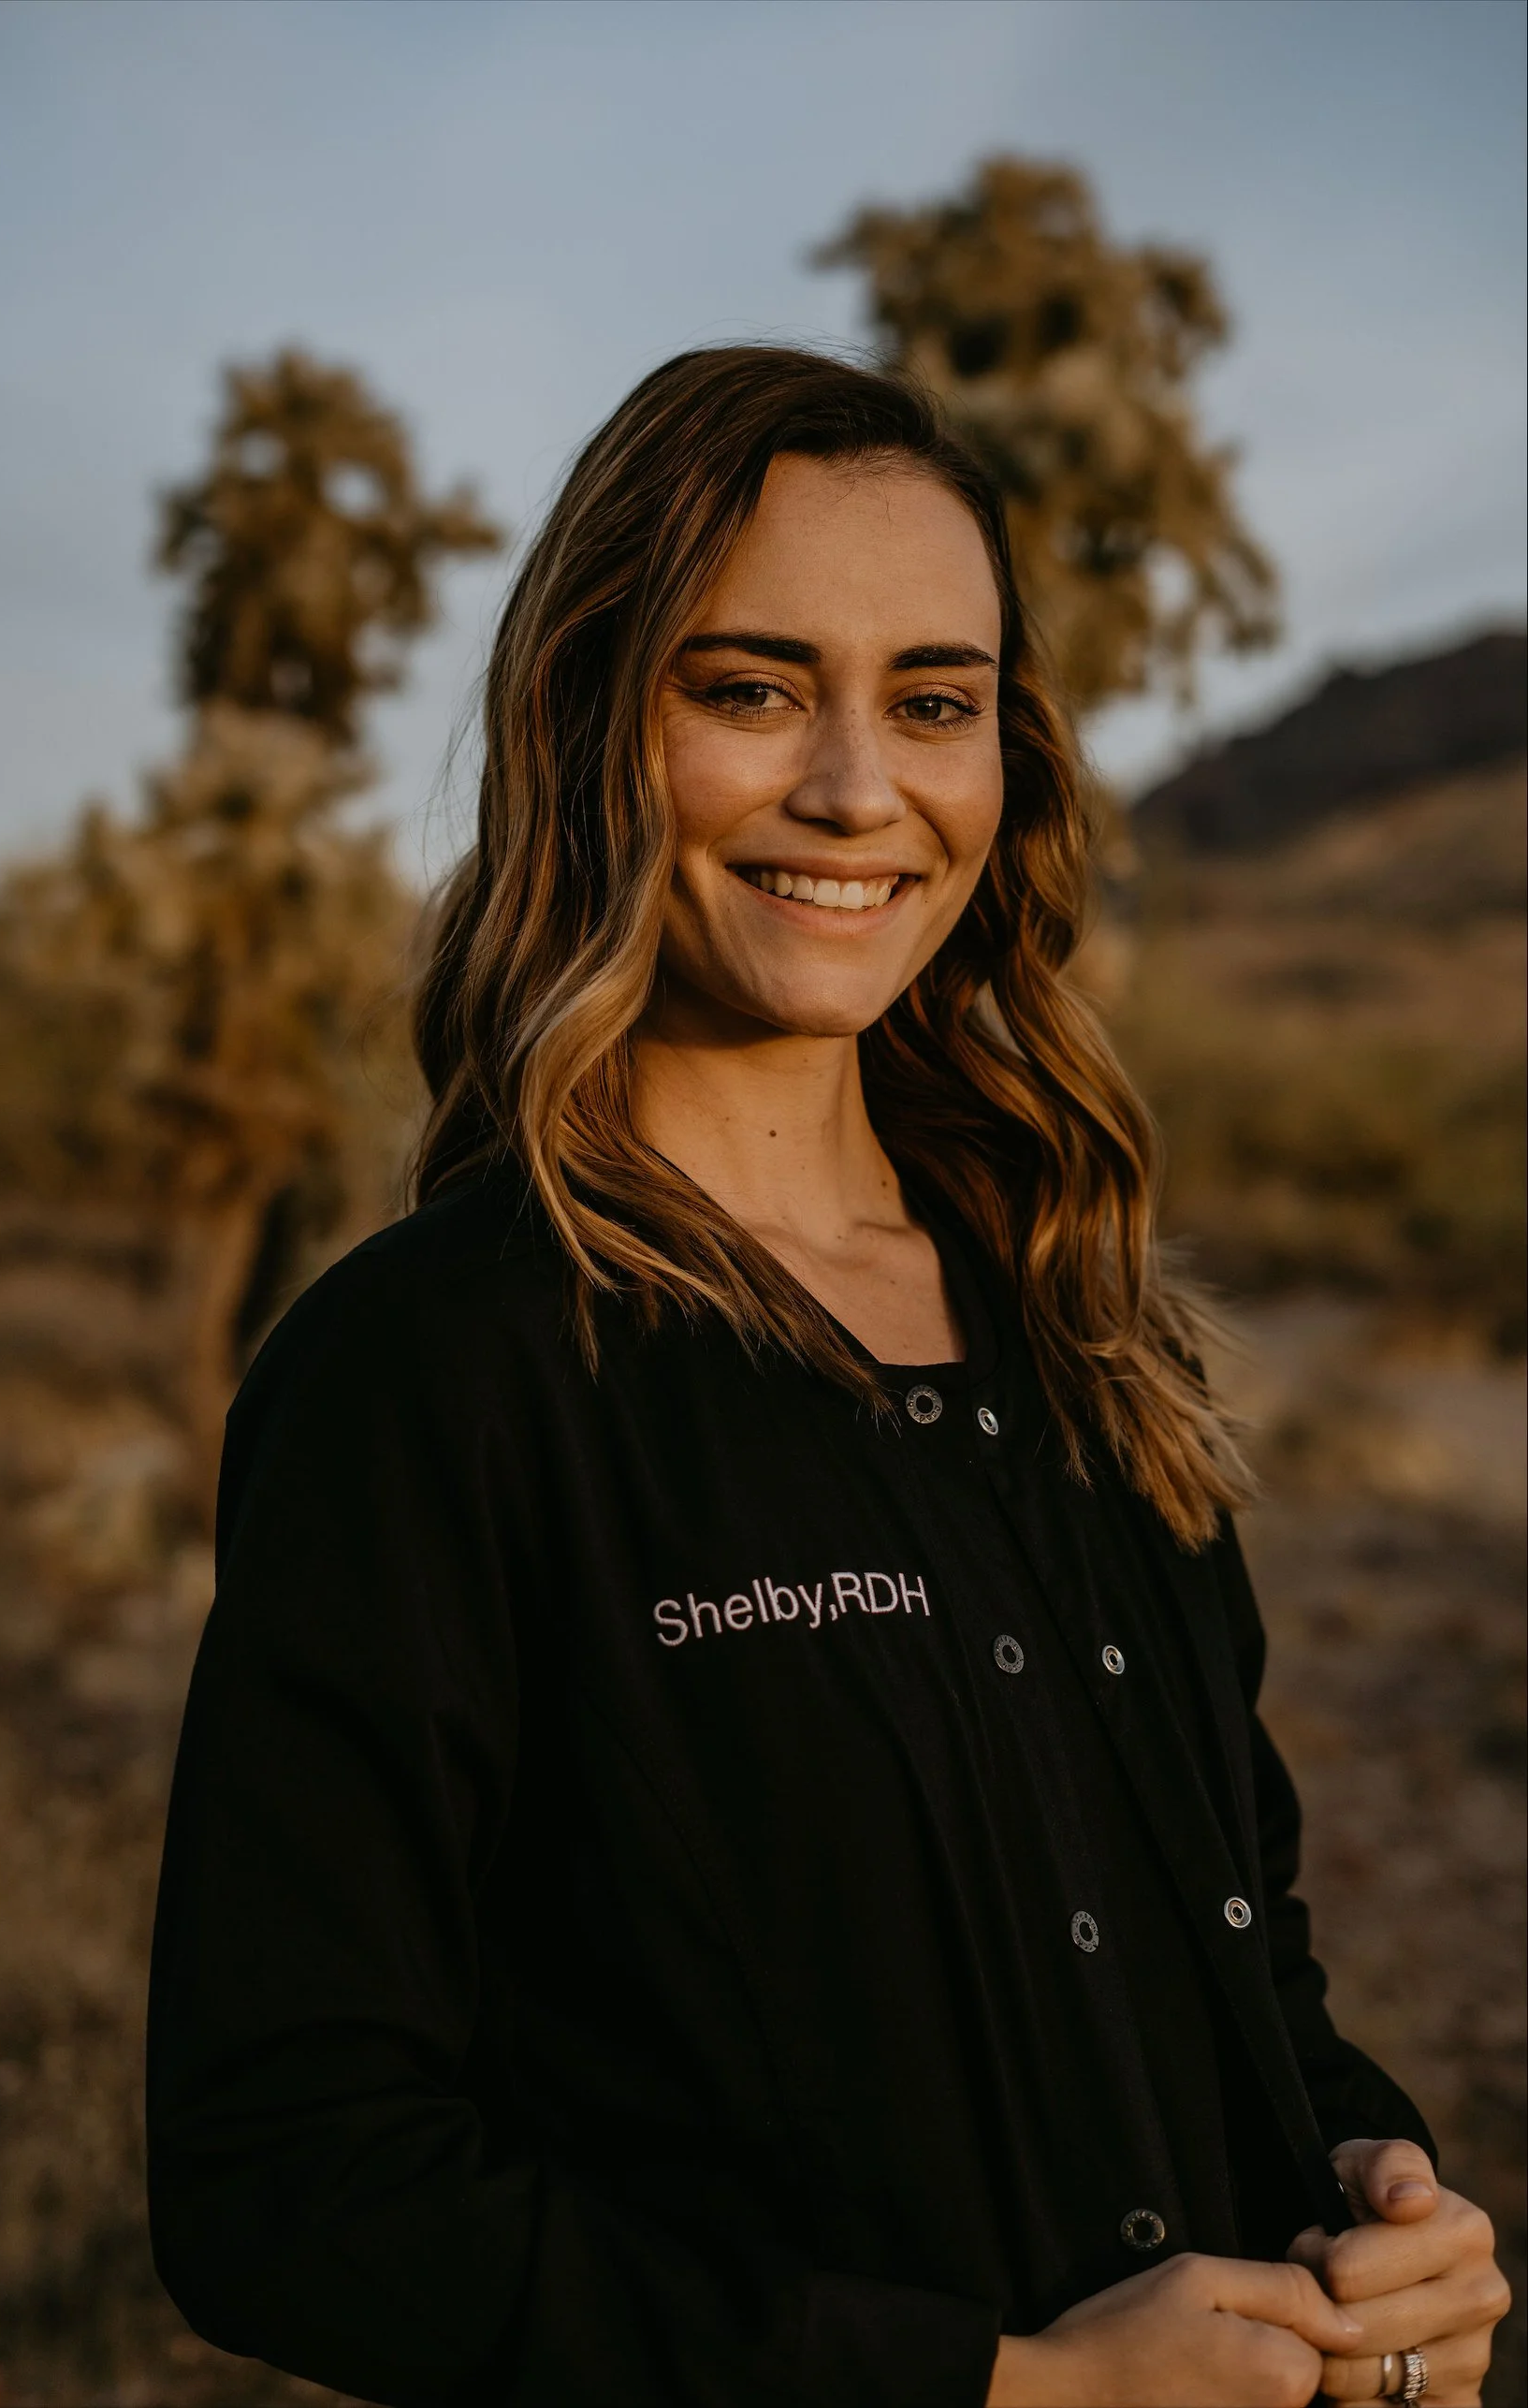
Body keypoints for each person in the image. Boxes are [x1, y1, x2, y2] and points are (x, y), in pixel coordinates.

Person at [146, 347, 1508, 2408]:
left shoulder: (1082, 1332)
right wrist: (997, 2384)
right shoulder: (435, 1370)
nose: (863, 788)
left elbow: (1247, 1986)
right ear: (595, 718)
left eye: (935, 701)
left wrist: (1382, 2219)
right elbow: (291, 2180)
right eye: (753, 688)